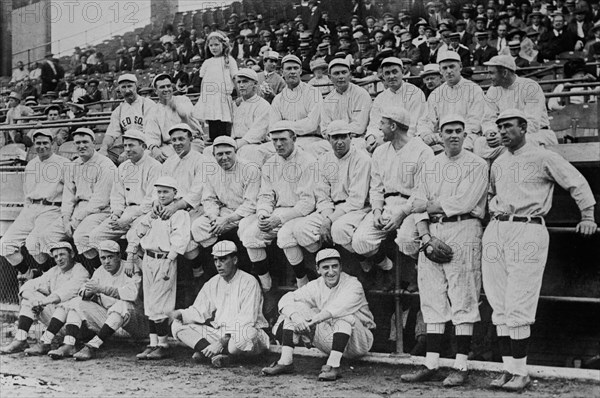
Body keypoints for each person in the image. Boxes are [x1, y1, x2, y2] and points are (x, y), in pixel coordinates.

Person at [481, 109, 596, 392]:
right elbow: (493, 194)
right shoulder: (498, 161)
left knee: (520, 299)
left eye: (508, 127)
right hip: (497, 228)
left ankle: (521, 372)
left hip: (528, 227)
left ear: (523, 128)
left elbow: (576, 182)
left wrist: (588, 216)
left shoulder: (543, 155)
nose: (502, 131)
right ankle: (508, 369)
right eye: (499, 127)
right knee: (498, 303)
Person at [400, 114, 488, 387]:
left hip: (464, 228)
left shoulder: (477, 164)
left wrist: (427, 206)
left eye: (458, 131)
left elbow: (463, 202)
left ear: (465, 134)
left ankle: (461, 365)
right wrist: (425, 236)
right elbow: (416, 202)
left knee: (463, 294)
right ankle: (432, 363)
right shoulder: (431, 164)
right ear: (439, 134)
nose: (453, 135)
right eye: (448, 131)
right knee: (432, 296)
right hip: (433, 230)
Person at [261, 248, 375, 381]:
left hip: (359, 341)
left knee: (343, 316)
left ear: (341, 267)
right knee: (295, 309)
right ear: (318, 269)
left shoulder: (353, 284)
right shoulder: (316, 285)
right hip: (334, 341)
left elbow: (337, 308)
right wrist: (297, 318)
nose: (331, 272)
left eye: (335, 266)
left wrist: (312, 322)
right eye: (325, 267)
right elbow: (287, 298)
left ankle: (333, 366)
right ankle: (285, 362)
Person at [352, 107, 434, 287]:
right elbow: (376, 188)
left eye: (382, 124)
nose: (379, 128)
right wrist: (376, 211)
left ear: (394, 126)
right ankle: (388, 268)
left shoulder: (422, 151)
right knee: (360, 241)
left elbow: (422, 190)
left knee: (406, 239)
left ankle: (417, 269)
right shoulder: (380, 152)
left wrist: (402, 214)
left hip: (413, 206)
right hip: (388, 205)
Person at [239, 121, 317, 289]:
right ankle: (266, 287)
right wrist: (262, 214)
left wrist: (278, 218)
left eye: (283, 139)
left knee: (285, 235)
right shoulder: (269, 164)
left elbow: (307, 203)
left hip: (302, 213)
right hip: (277, 212)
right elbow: (266, 195)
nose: (278, 144)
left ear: (294, 138)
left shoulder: (308, 161)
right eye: (274, 140)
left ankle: (302, 281)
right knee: (250, 235)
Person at [170, 240, 269, 367]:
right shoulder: (213, 282)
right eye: (216, 260)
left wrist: (221, 342)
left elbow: (247, 319)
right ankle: (213, 353)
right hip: (220, 334)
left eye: (223, 259)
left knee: (242, 337)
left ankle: (222, 355)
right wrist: (179, 314)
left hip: (246, 333)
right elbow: (199, 311)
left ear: (234, 260)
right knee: (177, 325)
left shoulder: (249, 282)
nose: (218, 264)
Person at [126, 176, 192, 360]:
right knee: (150, 303)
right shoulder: (154, 212)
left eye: (166, 192)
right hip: (148, 258)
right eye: (160, 192)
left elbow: (180, 240)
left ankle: (164, 344)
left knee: (161, 304)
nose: (162, 195)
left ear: (175, 194)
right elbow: (139, 230)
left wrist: (168, 262)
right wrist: (131, 255)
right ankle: (153, 343)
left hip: (165, 259)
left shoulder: (180, 214)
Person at [293, 120, 371, 257]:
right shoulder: (323, 160)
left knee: (338, 229)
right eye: (335, 137)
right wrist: (327, 217)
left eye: (343, 137)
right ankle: (325, 257)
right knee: (300, 230)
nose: (339, 142)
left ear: (351, 137)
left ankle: (366, 259)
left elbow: (356, 200)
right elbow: (322, 195)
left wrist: (329, 220)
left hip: (356, 209)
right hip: (330, 209)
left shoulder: (362, 159)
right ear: (328, 139)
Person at [0, 242, 89, 354]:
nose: (59, 259)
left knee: (68, 303)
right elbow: (29, 285)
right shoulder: (55, 271)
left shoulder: (81, 271)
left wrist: (42, 302)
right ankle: (20, 340)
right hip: (57, 323)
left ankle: (46, 342)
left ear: (71, 254)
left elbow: (66, 292)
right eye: (56, 256)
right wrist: (34, 301)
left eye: (62, 254)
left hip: (78, 326)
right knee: (29, 299)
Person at [0, 130, 69, 274]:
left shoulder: (64, 163)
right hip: (31, 208)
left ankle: (47, 275)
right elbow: (27, 192)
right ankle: (27, 274)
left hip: (52, 208)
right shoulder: (31, 164)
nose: (42, 146)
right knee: (5, 245)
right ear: (34, 144)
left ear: (52, 144)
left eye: (45, 143)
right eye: (38, 143)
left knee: (34, 243)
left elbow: (70, 193)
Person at [191, 136, 260, 275]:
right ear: (213, 155)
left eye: (228, 153)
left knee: (245, 229)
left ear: (235, 151)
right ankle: (216, 269)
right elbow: (209, 199)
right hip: (223, 213)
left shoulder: (250, 169)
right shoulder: (211, 170)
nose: (224, 157)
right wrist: (214, 217)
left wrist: (227, 220)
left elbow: (251, 203)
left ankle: (246, 270)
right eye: (219, 154)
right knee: (198, 226)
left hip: (247, 214)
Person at [88, 129, 161, 252]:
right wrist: (116, 214)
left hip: (145, 213)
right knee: (96, 237)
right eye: (125, 145)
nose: (127, 149)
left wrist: (128, 218)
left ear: (143, 146)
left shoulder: (155, 166)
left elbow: (151, 199)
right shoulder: (123, 167)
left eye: (131, 145)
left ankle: (136, 268)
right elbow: (117, 195)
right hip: (125, 212)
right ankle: (118, 266)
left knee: (133, 237)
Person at [60, 128, 117, 266]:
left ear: (94, 143)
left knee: (81, 237)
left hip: (102, 210)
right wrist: (66, 218)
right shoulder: (73, 165)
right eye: (78, 143)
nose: (81, 146)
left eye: (85, 142)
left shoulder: (105, 164)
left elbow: (100, 200)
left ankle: (101, 273)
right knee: (46, 235)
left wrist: (75, 221)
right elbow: (68, 196)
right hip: (79, 209)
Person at [481, 55, 558, 148]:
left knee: (524, 143)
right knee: (480, 143)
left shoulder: (530, 87)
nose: (488, 76)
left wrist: (506, 136)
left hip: (537, 134)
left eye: (491, 73)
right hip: (503, 135)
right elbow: (488, 119)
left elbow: (532, 124)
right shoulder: (492, 90)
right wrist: (491, 132)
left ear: (504, 73)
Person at [416, 51, 485, 151]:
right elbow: (426, 120)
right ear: (440, 70)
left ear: (460, 66)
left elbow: (474, 123)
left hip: (467, 137)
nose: (448, 71)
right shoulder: (436, 94)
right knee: (418, 145)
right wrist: (426, 134)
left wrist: (456, 137)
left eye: (452, 66)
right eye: (444, 68)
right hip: (442, 138)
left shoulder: (474, 90)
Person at [270, 54, 330, 158]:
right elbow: (274, 126)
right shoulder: (278, 99)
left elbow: (311, 124)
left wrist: (284, 124)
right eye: (288, 68)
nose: (292, 71)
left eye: (295, 68)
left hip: (311, 139)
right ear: (281, 72)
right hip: (284, 141)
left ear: (300, 71)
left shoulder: (313, 93)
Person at [366, 57, 427, 153]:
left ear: (402, 72)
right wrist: (371, 137)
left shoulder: (415, 93)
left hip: (408, 141)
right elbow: (374, 124)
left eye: (395, 72)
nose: (391, 76)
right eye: (387, 73)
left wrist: (390, 143)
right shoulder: (380, 98)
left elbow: (413, 126)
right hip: (384, 141)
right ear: (383, 76)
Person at [99, 74, 157, 163]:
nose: (127, 90)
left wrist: (129, 151)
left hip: (146, 145)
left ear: (136, 86)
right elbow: (111, 134)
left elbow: (151, 134)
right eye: (123, 87)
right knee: (101, 157)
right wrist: (103, 149)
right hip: (127, 146)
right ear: (119, 89)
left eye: (130, 86)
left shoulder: (148, 104)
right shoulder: (119, 110)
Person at [146, 73, 203, 162]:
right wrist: (154, 148)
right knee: (149, 157)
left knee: (182, 157)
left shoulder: (183, 100)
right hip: (170, 145)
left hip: (191, 142)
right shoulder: (153, 111)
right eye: (162, 87)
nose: (166, 89)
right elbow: (151, 134)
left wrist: (175, 107)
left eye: (168, 86)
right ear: (156, 91)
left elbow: (190, 118)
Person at [192, 31, 239, 140]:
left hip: (223, 96)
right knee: (212, 119)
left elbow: (235, 78)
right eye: (211, 45)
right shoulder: (207, 62)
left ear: (223, 45)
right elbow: (204, 80)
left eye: (217, 45)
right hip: (210, 97)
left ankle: (224, 140)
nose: (214, 48)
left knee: (223, 121)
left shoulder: (229, 60)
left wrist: (240, 95)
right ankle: (213, 140)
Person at [319, 59, 372, 149]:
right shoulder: (328, 99)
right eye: (336, 73)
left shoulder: (361, 94)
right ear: (329, 77)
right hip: (333, 141)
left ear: (350, 74)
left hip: (357, 140)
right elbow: (324, 128)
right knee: (315, 148)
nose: (341, 76)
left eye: (344, 72)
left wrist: (335, 131)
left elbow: (359, 127)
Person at [228, 68, 273, 166]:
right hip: (234, 142)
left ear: (255, 84)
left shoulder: (263, 105)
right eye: (239, 82)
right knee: (209, 151)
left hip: (254, 144)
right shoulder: (235, 105)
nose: (241, 85)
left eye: (245, 81)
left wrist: (236, 145)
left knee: (246, 153)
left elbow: (257, 132)